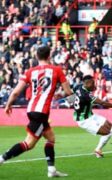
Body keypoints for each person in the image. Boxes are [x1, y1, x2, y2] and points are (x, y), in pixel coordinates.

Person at [0, 46, 73, 177]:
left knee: (50, 138)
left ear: (36, 57)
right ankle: (2, 158)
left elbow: (16, 92)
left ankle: (51, 170)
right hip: (41, 113)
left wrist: (8, 104)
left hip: (32, 110)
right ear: (49, 56)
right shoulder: (56, 70)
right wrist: (75, 102)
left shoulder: (30, 72)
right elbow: (68, 92)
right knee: (28, 144)